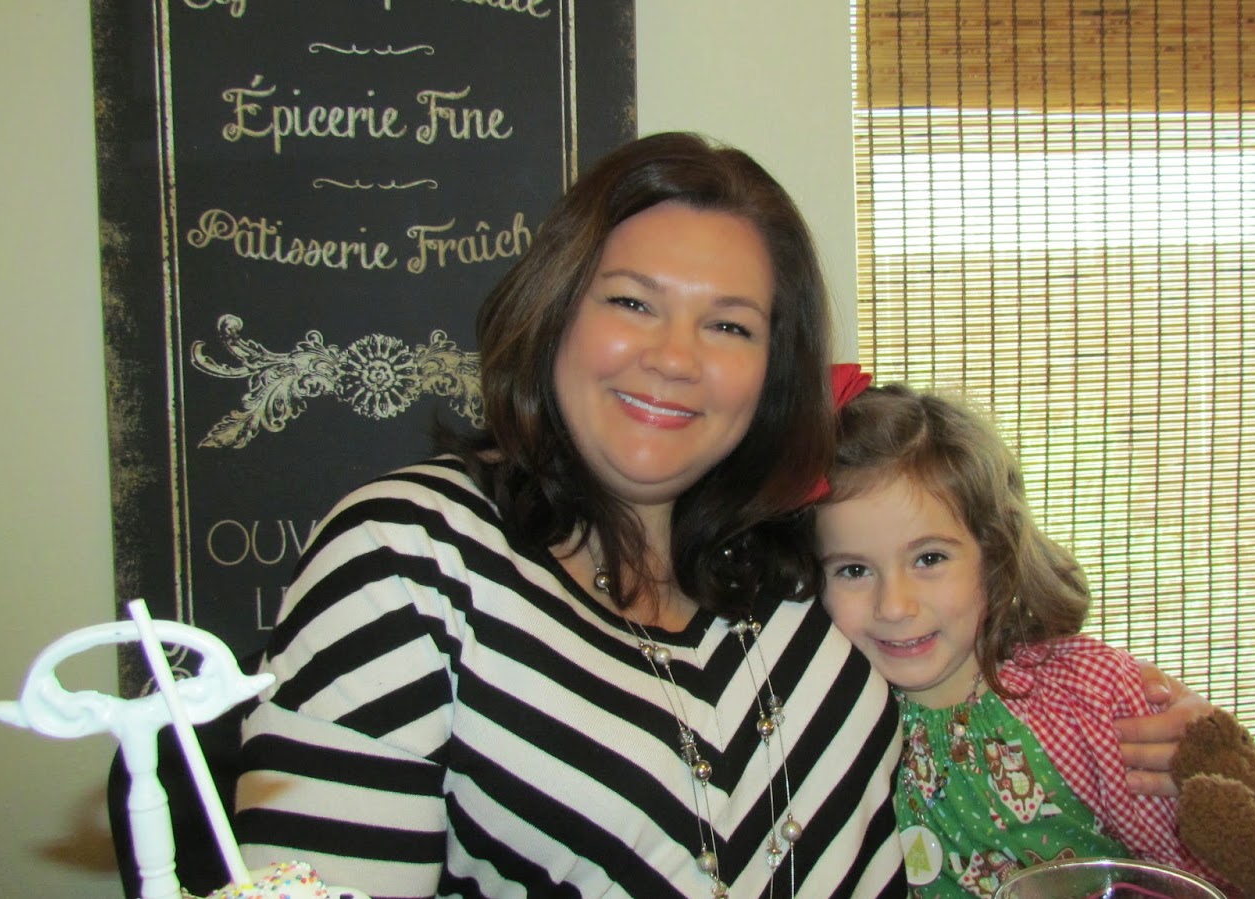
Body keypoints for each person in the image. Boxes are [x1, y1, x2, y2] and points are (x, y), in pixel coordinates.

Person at [232, 132, 1206, 899]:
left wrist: (1172, 745)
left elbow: (973, 644)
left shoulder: (804, 547)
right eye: (632, 303)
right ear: (554, 311)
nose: (675, 357)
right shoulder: (411, 558)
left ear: (774, 367)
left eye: (729, 324)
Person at [812, 381, 1227, 898]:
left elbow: (1201, 874)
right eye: (853, 570)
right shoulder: (828, 721)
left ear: (994, 554)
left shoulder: (1087, 698)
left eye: (929, 558)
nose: (894, 606)